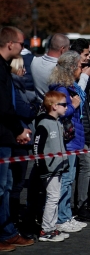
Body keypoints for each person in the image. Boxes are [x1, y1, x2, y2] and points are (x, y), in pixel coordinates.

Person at [0, 26, 35, 251]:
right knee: (1, 187)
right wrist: (18, 130)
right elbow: (4, 106)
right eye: (21, 44)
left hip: (7, 136)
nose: (23, 48)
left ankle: (8, 231)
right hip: (3, 135)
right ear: (10, 44)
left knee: (8, 184)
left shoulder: (5, 68)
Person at [48, 50, 88, 233]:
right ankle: (62, 218)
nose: (82, 69)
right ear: (71, 68)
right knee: (66, 179)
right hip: (68, 138)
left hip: (73, 137)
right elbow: (62, 111)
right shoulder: (62, 89)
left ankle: (66, 215)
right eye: (80, 66)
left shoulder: (67, 87)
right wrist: (75, 105)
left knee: (68, 178)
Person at [69, 38, 90, 222]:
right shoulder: (72, 74)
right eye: (86, 54)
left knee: (80, 167)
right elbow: (79, 97)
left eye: (89, 53)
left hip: (85, 126)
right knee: (83, 166)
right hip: (74, 129)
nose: (89, 57)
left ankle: (79, 205)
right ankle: (79, 208)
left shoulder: (84, 72)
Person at [34, 91, 70, 242]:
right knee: (52, 198)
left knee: (54, 197)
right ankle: (46, 230)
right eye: (64, 105)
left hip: (58, 167)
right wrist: (42, 168)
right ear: (54, 106)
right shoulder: (44, 124)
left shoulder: (58, 123)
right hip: (49, 169)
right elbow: (37, 148)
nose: (66, 107)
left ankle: (52, 227)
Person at [9, 57, 40, 230]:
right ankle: (12, 221)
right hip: (17, 140)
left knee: (14, 183)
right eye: (22, 68)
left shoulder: (19, 86)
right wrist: (33, 108)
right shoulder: (14, 86)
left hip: (19, 138)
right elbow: (25, 110)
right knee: (16, 183)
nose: (25, 72)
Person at [31, 33, 70, 100]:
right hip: (57, 107)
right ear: (62, 49)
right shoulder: (61, 69)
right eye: (68, 48)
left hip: (40, 107)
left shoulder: (34, 61)